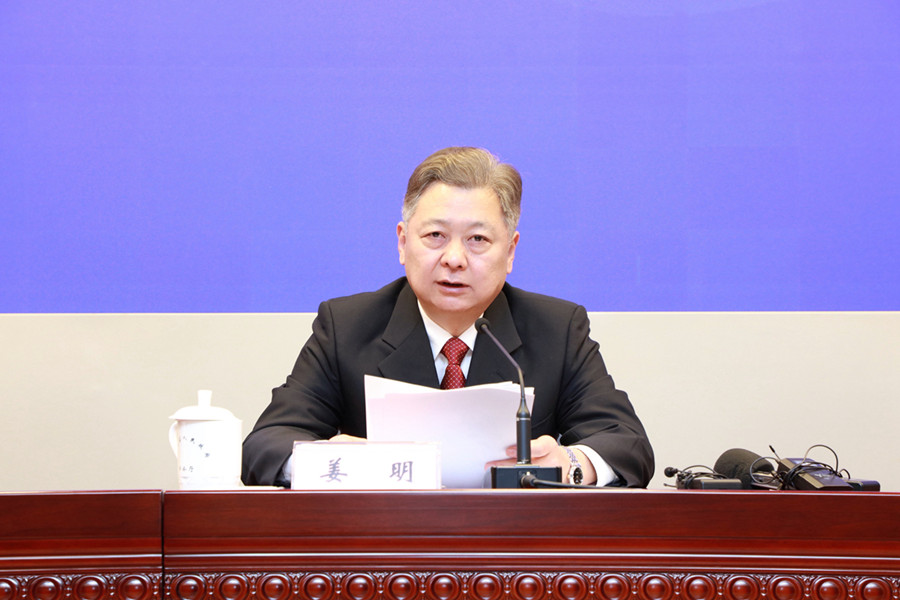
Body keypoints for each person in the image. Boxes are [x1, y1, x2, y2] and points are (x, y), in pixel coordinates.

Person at [242, 147, 654, 487]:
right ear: (403, 242)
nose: (454, 259)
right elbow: (265, 445)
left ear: (510, 251)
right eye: (435, 236)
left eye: (478, 239)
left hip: (513, 548)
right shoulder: (346, 326)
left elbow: (627, 444)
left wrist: (571, 463)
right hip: (383, 547)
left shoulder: (557, 329)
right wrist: (327, 461)